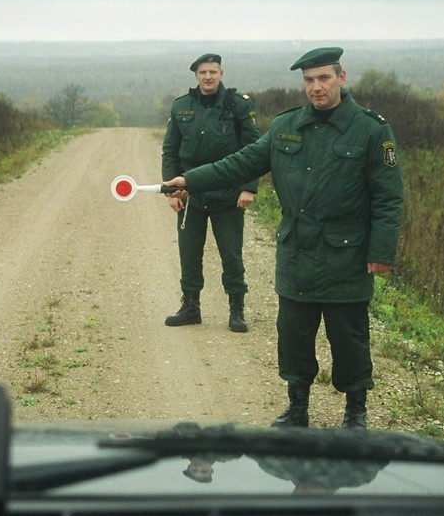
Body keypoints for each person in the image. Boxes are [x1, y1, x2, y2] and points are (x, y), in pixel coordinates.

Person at [164, 47, 404, 429]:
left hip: (346, 254)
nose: (316, 87)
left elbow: (389, 199)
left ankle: (355, 413)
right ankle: (297, 409)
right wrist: (189, 180)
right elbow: (240, 163)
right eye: (309, 80)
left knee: (349, 337)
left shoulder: (372, 130)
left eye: (324, 78)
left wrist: (381, 252)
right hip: (296, 252)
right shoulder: (286, 127)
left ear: (341, 78)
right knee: (293, 334)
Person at [161, 53, 261, 332]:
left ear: (221, 73)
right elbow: (170, 150)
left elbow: (255, 150)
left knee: (231, 254)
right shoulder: (181, 106)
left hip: (227, 193)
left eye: (213, 72)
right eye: (203, 72)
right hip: (190, 195)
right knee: (189, 253)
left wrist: (248, 187)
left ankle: (237, 310)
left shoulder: (238, 106)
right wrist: (171, 190)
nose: (208, 77)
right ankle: (190, 307)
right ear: (196, 76)